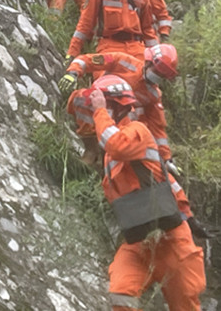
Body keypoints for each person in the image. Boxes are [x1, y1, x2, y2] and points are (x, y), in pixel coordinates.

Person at [84, 75, 207, 311]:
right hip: (139, 241)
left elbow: (117, 145)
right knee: (121, 294)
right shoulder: (110, 157)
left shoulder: (136, 131)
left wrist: (187, 217)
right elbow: (168, 182)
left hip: (171, 239)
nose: (95, 112)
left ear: (118, 105)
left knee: (185, 304)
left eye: (102, 104)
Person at [60, 43, 181, 167]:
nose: (157, 77)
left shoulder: (153, 95)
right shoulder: (122, 61)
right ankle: (91, 149)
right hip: (97, 104)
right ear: (148, 62)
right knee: (82, 97)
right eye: (156, 71)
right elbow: (89, 60)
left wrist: (166, 158)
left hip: (118, 124)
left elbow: (158, 128)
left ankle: (107, 159)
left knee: (136, 118)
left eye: (161, 76)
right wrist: (73, 73)